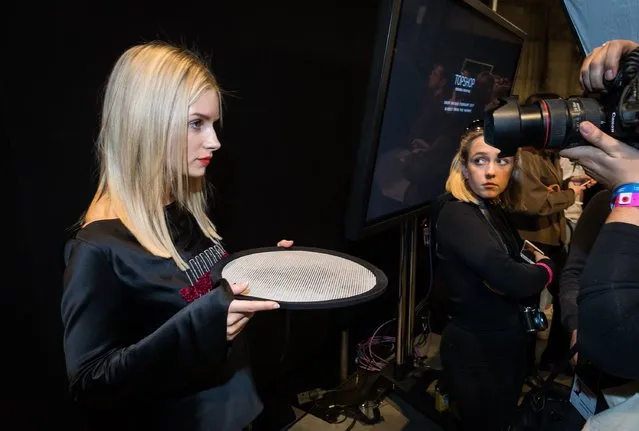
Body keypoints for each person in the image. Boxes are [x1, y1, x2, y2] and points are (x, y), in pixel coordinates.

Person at [60, 41, 293, 431]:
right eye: (196, 123)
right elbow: (90, 384)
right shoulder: (98, 247)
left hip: (235, 408)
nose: (215, 141)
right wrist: (204, 325)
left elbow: (199, 289)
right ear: (145, 123)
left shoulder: (181, 203)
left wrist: (259, 272)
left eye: (214, 123)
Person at [433, 123, 554, 430]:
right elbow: (509, 277)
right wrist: (545, 270)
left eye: (502, 161)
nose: (490, 171)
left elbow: (513, 260)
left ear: (513, 168)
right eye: (480, 160)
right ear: (464, 166)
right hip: (478, 349)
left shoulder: (489, 207)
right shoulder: (458, 213)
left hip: (502, 341)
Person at [559, 38, 639, 380]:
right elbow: (575, 272)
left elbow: (615, 336)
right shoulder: (601, 204)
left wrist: (633, 190)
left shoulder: (626, 196)